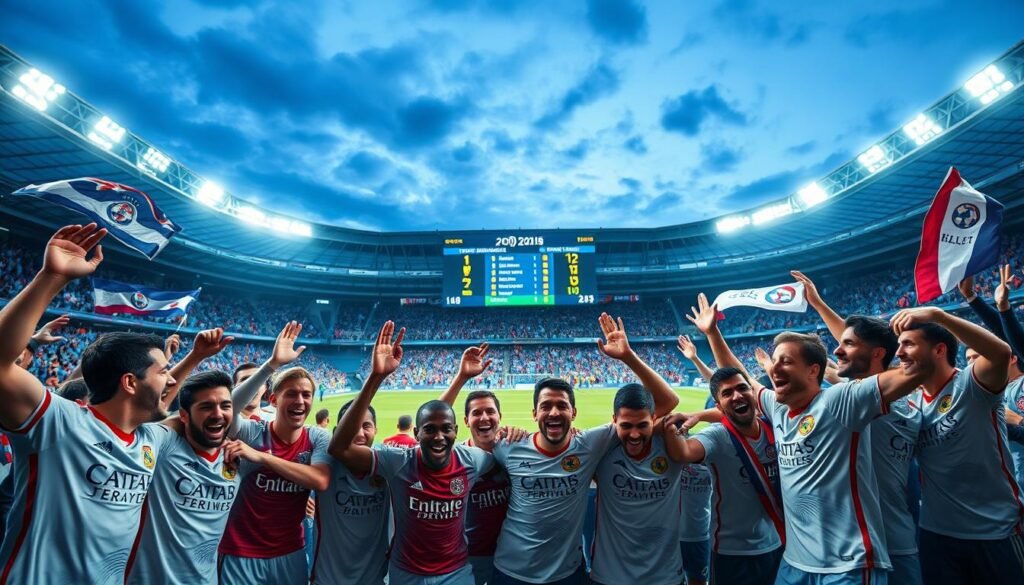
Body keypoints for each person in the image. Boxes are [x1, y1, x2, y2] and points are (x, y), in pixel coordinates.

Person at [688, 292, 927, 584]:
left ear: (813, 370)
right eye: (774, 361)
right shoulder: (777, 407)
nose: (773, 368)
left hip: (846, 566)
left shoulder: (842, 401)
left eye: (785, 361)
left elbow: (911, 372)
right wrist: (712, 333)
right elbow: (742, 379)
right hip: (795, 564)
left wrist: (917, 329)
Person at [0, 223, 179, 583]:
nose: (173, 380)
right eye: (163, 372)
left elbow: (205, 415)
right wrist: (51, 277)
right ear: (129, 382)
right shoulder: (59, 423)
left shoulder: (150, 440)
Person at [492, 313, 679, 585]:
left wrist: (627, 357)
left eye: (562, 406)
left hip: (567, 574)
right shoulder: (507, 445)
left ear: (574, 412)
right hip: (511, 572)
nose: (554, 412)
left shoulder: (591, 443)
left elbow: (666, 402)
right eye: (546, 406)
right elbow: (456, 448)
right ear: (534, 413)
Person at [124, 322, 304, 584]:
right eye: (207, 407)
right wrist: (195, 356)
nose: (218, 414)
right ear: (184, 415)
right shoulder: (163, 445)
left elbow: (301, 470)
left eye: (224, 406)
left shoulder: (239, 458)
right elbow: (152, 409)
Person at [330, 321, 497, 585]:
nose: (439, 437)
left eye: (446, 430)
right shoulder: (398, 461)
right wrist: (376, 376)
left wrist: (512, 432)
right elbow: (339, 448)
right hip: (405, 574)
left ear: (456, 430)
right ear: (416, 434)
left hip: (456, 574)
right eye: (429, 430)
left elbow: (504, 450)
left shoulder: (473, 460)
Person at [793, 270, 923, 585]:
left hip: (892, 541)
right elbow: (857, 355)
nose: (838, 352)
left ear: (878, 354)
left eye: (847, 345)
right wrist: (819, 305)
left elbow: (859, 358)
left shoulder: (879, 396)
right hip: (867, 544)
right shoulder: (872, 394)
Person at [890, 306, 1024, 584]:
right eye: (898, 345)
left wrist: (939, 316)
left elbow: (1000, 352)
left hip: (994, 530)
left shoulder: (972, 384)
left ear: (939, 350)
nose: (899, 353)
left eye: (908, 344)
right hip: (936, 535)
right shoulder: (912, 405)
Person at [218, 322, 333, 585]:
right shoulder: (252, 432)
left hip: (290, 552)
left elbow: (320, 480)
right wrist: (271, 365)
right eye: (291, 394)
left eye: (306, 395)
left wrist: (263, 457)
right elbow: (228, 409)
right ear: (273, 400)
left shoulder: (316, 437)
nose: (300, 401)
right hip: (240, 552)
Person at [662, 367, 784, 585]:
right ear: (719, 406)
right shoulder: (718, 435)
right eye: (727, 393)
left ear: (753, 393)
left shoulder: (775, 425)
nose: (737, 395)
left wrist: (697, 414)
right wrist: (673, 427)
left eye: (742, 388)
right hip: (732, 551)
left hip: (777, 543)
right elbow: (683, 453)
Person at [589, 379, 687, 585]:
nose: (634, 434)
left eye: (642, 425)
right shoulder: (600, 452)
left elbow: (727, 417)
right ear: (614, 420)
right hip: (609, 578)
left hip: (665, 578)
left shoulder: (673, 446)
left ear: (654, 418)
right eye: (626, 426)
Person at [439, 343, 510, 585]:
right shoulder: (455, 456)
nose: (484, 418)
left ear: (500, 417)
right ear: (466, 420)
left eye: (490, 412)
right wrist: (461, 378)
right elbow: (434, 422)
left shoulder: (513, 450)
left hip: (509, 557)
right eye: (476, 413)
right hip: (465, 559)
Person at [310, 400, 389, 585]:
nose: (360, 433)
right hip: (328, 579)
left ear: (376, 430)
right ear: (338, 431)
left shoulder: (387, 462)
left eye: (366, 426)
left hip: (375, 580)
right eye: (352, 426)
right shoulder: (323, 463)